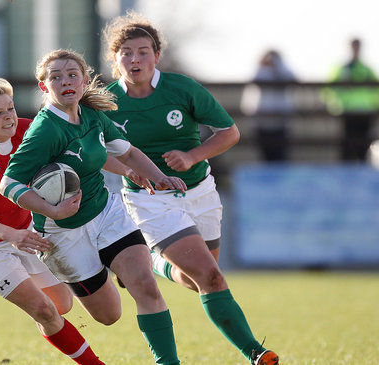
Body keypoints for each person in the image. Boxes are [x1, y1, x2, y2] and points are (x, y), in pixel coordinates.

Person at [100, 12, 280, 365]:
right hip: (149, 200)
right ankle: (256, 354)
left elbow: (229, 132)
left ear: (156, 55)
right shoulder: (104, 101)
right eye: (126, 52)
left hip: (199, 191)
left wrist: (192, 155)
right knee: (212, 276)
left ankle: (156, 264)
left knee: (198, 277)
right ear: (115, 58)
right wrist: (127, 170)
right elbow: (92, 152)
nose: (135, 59)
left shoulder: (182, 88)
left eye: (143, 51)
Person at [0, 49, 186, 365]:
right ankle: (112, 265)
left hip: (105, 213)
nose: (65, 81)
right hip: (64, 234)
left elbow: (127, 153)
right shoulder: (45, 130)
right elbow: (9, 183)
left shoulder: (93, 117)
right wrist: (52, 210)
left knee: (146, 286)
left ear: (85, 81)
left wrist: (159, 176)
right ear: (44, 87)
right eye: (55, 77)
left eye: (72, 74)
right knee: (109, 315)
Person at [0, 77, 104, 365]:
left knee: (61, 305)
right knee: (43, 310)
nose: (9, 117)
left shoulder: (27, 129)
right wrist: (10, 235)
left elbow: (80, 153)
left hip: (22, 232)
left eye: (10, 108)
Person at [323, 38, 379, 161]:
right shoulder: (342, 69)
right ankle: (347, 169)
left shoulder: (367, 70)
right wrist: (334, 105)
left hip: (366, 110)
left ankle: (362, 165)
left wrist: (376, 104)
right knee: (347, 142)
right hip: (348, 110)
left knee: (365, 143)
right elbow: (329, 88)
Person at [251, 50, 296, 161]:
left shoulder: (284, 71)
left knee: (280, 152)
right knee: (265, 152)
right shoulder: (261, 71)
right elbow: (256, 80)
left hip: (280, 121)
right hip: (263, 120)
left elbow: (292, 78)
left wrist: (277, 67)